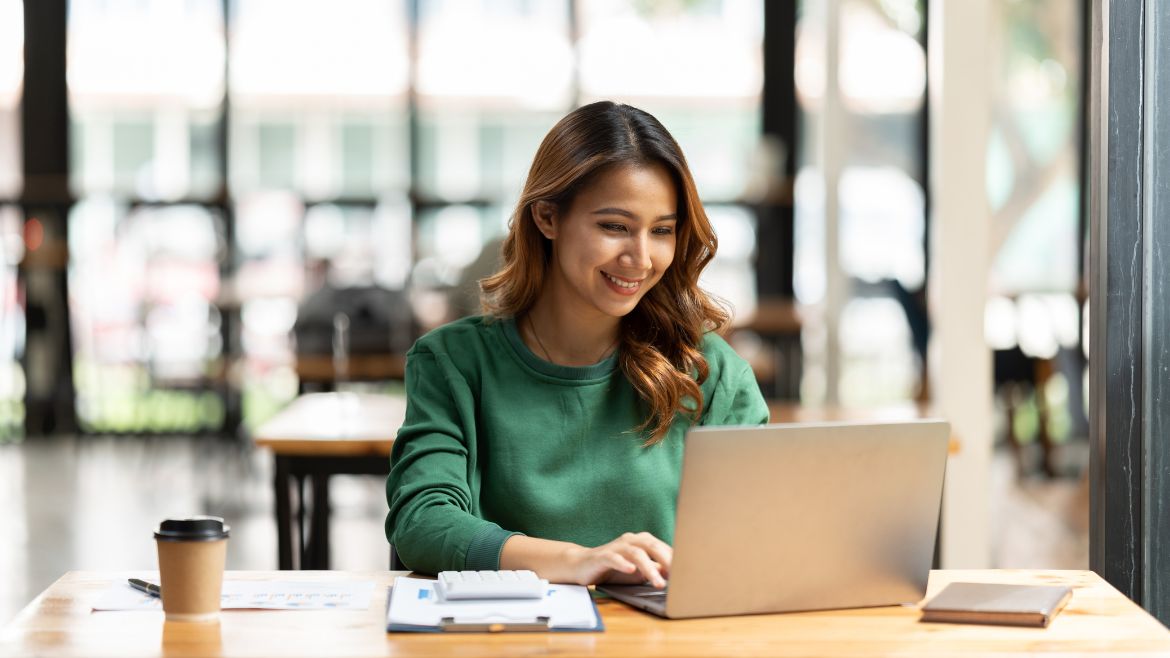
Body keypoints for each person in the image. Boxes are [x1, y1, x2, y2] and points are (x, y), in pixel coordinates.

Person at [385, 101, 769, 588]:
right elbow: (422, 522)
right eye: (614, 227)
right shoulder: (453, 363)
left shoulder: (711, 372)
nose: (641, 257)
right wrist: (576, 561)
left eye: (663, 231)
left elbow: (757, 536)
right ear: (547, 217)